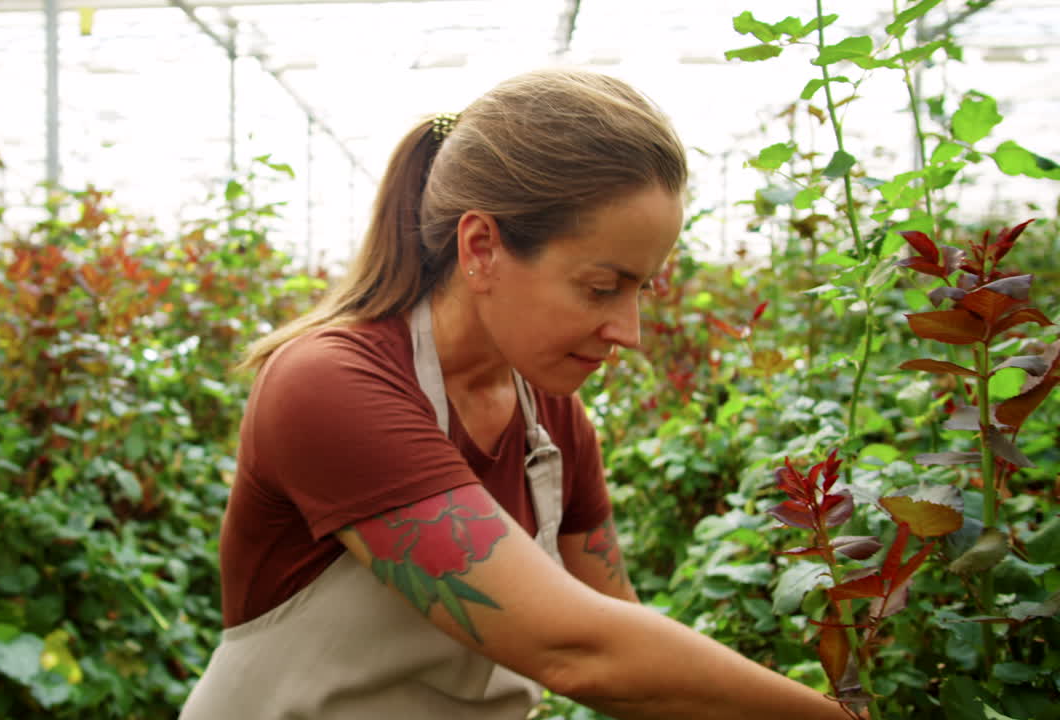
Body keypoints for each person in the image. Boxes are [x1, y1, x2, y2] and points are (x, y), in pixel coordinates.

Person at [178, 68, 848, 719]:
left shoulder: (550, 418)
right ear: (481, 248)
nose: (630, 333)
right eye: (600, 287)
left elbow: (619, 633)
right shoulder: (329, 386)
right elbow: (573, 650)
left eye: (642, 289)